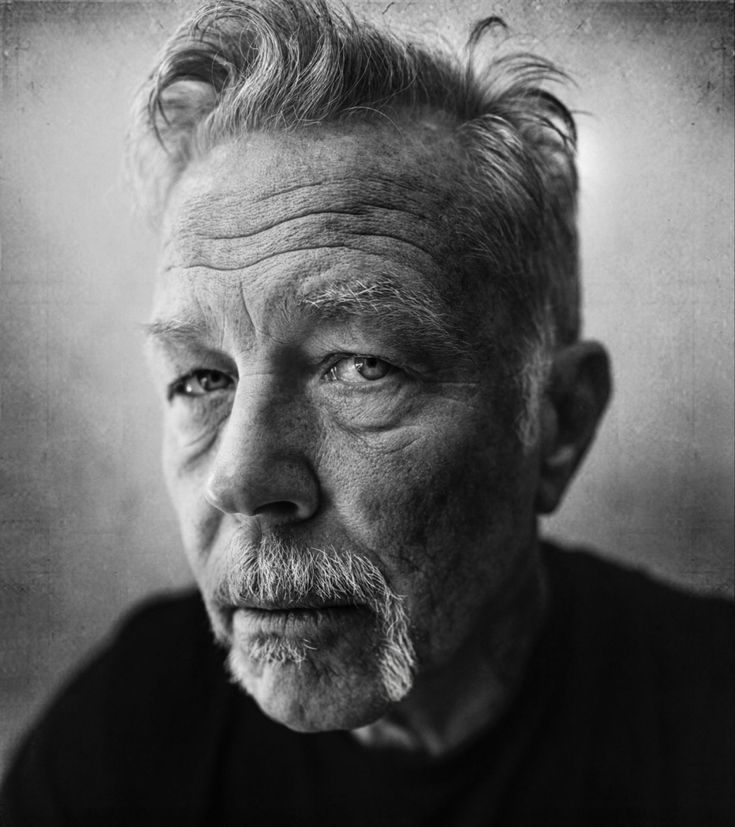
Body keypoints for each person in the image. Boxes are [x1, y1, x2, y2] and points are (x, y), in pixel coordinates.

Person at [1, 0, 732, 824]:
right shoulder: (126, 732)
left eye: (359, 366)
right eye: (202, 379)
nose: (239, 480)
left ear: (557, 423)